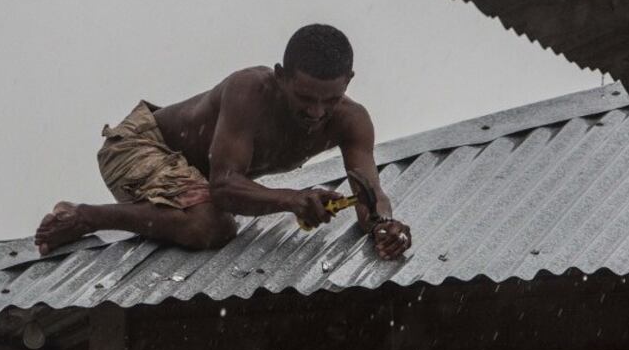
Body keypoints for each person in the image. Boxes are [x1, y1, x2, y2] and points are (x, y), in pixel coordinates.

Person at [34, 24, 412, 261]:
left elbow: (369, 192)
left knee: (212, 218)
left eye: (329, 100)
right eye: (305, 98)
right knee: (209, 226)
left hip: (203, 174)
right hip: (140, 145)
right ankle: (85, 216)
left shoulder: (353, 120)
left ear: (348, 82)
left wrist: (383, 225)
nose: (316, 112)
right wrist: (294, 200)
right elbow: (225, 187)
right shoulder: (248, 90)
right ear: (281, 77)